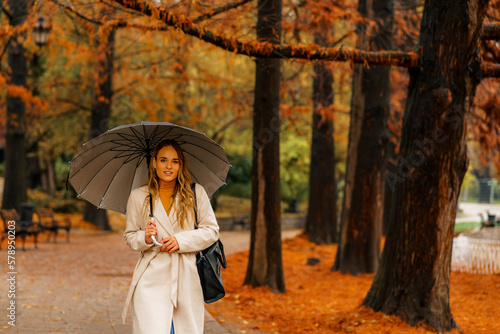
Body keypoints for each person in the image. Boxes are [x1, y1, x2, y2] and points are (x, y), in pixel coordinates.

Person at [121, 139, 220, 334]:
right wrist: (146, 238)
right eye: (163, 160)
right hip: (151, 279)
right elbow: (130, 236)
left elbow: (211, 231)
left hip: (186, 276)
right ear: (154, 163)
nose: (169, 166)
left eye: (175, 161)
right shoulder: (139, 196)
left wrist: (180, 241)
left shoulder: (195, 193)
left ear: (181, 165)